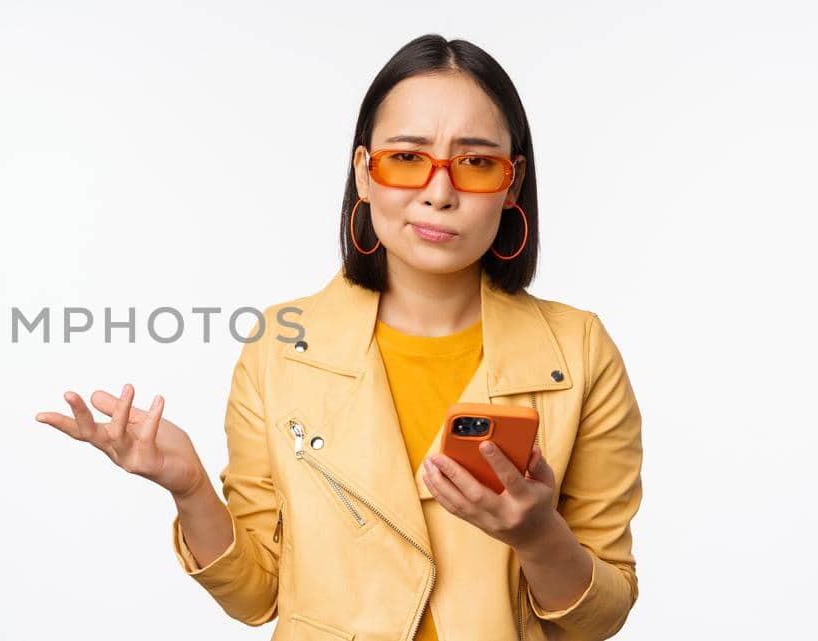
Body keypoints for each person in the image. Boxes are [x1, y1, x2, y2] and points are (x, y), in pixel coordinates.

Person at [33, 34, 643, 641]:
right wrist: (190, 487)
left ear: (512, 184)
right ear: (364, 172)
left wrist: (538, 537)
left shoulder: (579, 351)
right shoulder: (279, 347)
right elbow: (258, 595)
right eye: (406, 158)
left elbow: (601, 616)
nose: (439, 191)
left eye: (476, 163)